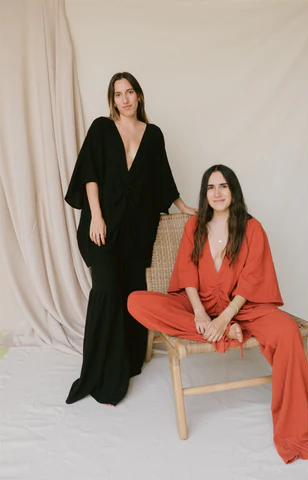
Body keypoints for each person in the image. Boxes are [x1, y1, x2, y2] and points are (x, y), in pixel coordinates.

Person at [128, 164, 308, 468]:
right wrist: (200, 314)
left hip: (242, 307)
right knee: (136, 301)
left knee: (288, 332)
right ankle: (225, 334)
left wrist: (225, 318)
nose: (217, 192)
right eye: (211, 187)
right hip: (200, 306)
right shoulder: (193, 227)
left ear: (233, 190)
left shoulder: (252, 228)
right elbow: (187, 275)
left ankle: (300, 435)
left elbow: (252, 281)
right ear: (205, 194)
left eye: (223, 186)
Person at [64, 72, 196, 406]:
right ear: (113, 100)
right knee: (107, 290)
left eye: (130, 92)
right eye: (118, 93)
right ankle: (102, 374)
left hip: (137, 228)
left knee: (132, 291)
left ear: (139, 96)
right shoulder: (101, 128)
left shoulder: (153, 134)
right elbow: (90, 174)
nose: (124, 99)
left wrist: (183, 206)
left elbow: (162, 176)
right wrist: (95, 215)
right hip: (102, 225)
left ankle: (131, 359)